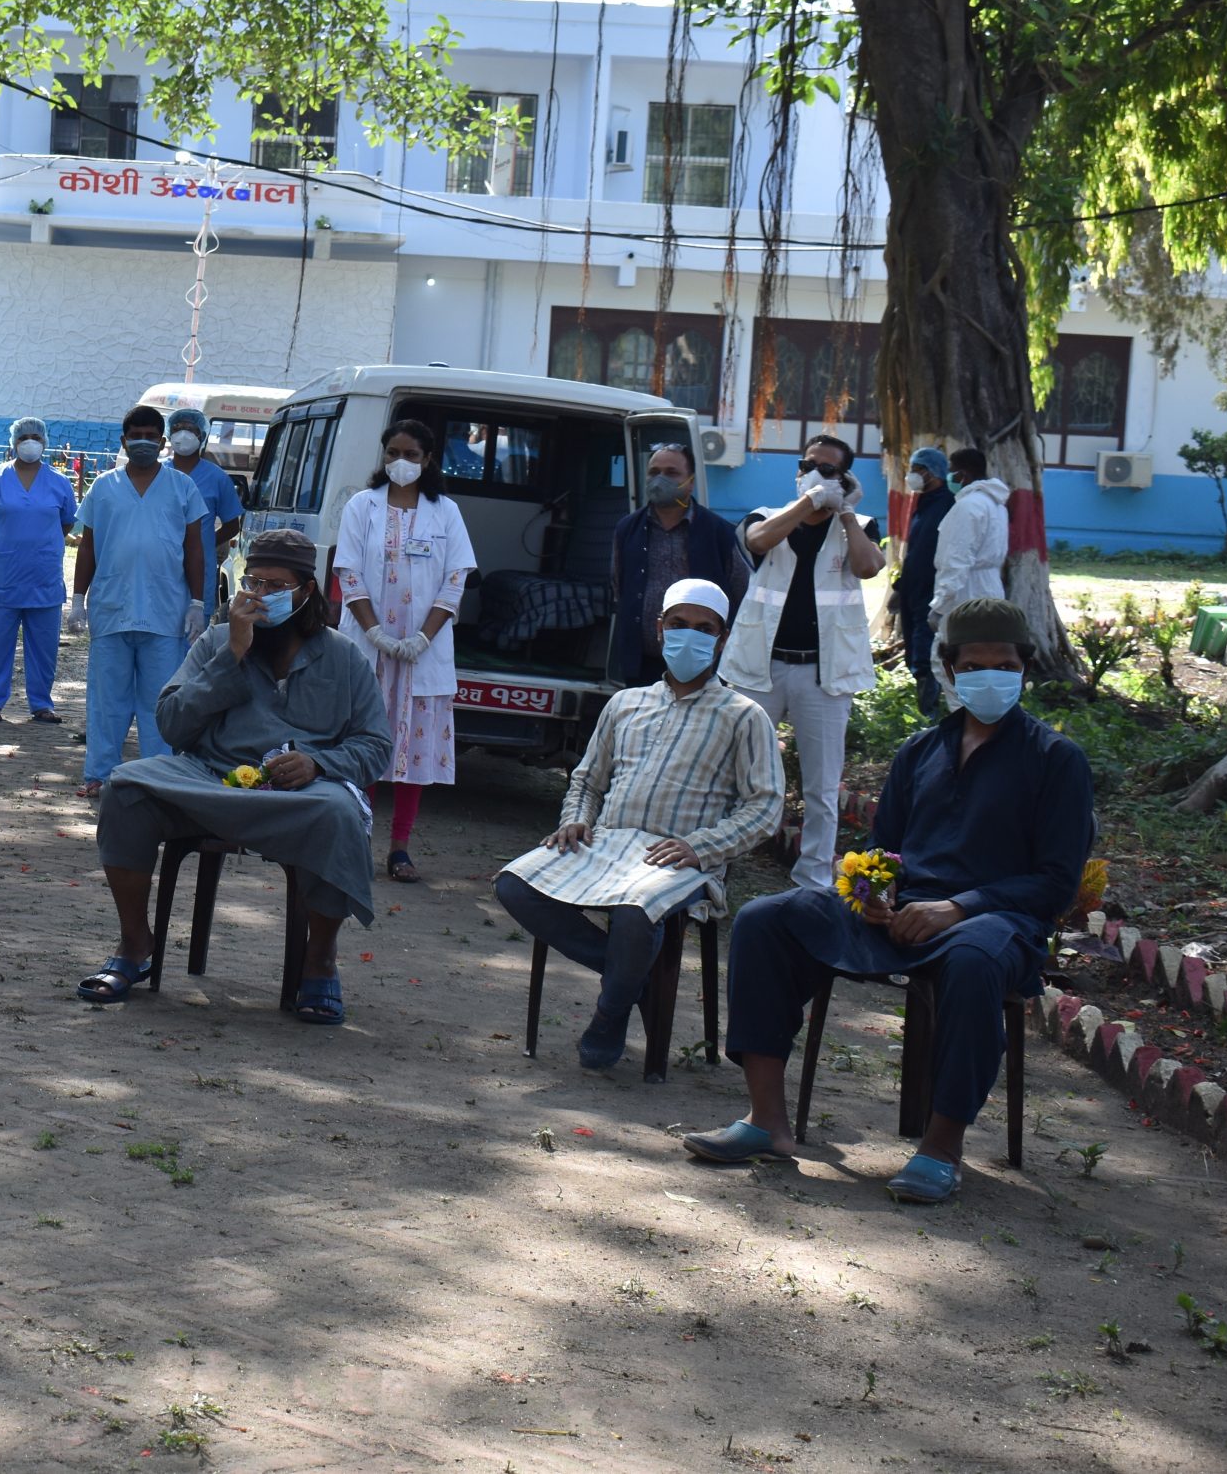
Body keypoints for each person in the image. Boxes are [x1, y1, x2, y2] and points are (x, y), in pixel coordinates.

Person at [685, 598, 1094, 1203]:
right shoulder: (920, 751)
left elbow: (1056, 882)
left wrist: (959, 908)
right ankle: (765, 1121)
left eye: (1005, 665)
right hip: (900, 915)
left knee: (974, 962)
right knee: (765, 918)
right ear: (951, 670)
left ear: (1024, 668)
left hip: (994, 921)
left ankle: (941, 1148)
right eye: (975, 664)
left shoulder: (1056, 760)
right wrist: (874, 893)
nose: (991, 676)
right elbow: (884, 850)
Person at [71, 529, 390, 1024]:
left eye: (274, 586)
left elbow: (376, 747)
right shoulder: (218, 640)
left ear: (305, 592)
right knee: (126, 786)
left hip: (299, 794)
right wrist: (232, 656)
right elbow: (172, 725)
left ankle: (320, 960)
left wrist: (319, 764)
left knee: (340, 814)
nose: (259, 597)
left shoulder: (345, 657)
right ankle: (136, 944)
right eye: (253, 583)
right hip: (207, 778)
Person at [494, 579, 783, 1069]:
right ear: (659, 628)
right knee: (513, 885)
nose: (689, 637)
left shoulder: (744, 716)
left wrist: (701, 848)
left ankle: (609, 1013)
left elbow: (765, 808)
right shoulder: (625, 704)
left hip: (680, 858)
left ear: (722, 637)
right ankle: (631, 978)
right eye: (678, 626)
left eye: (703, 629)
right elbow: (587, 781)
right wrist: (576, 820)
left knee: (634, 911)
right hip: (606, 845)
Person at [722, 434, 886, 891]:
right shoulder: (767, 517)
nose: (816, 473)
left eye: (829, 470)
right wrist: (809, 501)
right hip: (761, 668)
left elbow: (868, 566)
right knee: (734, 773)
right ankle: (714, 869)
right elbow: (756, 542)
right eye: (808, 464)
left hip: (823, 674)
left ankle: (812, 884)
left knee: (821, 786)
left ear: (847, 478)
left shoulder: (862, 524)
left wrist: (845, 509)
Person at [333, 419, 476, 880]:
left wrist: (422, 638)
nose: (401, 462)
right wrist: (374, 633)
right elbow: (348, 573)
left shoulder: (445, 511)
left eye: (411, 455)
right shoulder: (362, 506)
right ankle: (357, 837)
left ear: (428, 459)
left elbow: (457, 579)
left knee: (411, 751)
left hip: (421, 654)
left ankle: (399, 848)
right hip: (369, 647)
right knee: (366, 744)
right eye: (394, 452)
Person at [68, 405, 208, 797]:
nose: (143, 442)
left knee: (159, 702)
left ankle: (157, 775)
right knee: (106, 700)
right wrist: (78, 597)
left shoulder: (183, 487)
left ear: (162, 442)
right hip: (112, 608)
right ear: (123, 441)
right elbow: (89, 546)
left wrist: (197, 602)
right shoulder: (103, 487)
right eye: (136, 436)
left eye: (151, 436)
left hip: (165, 612)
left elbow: (194, 549)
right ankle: (99, 774)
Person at [608, 441, 747, 687]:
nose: (660, 479)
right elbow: (619, 587)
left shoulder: (719, 532)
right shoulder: (627, 528)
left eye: (671, 473)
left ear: (690, 482)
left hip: (701, 665)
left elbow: (739, 592)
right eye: (654, 472)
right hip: (642, 663)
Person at [0, 415, 76, 725]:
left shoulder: (59, 483)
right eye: (23, 437)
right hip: (2, 578)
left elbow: (67, 522)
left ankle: (41, 704)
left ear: (45, 442)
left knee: (44, 649)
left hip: (44, 579)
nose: (29, 442)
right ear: (14, 443)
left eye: (35, 436)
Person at [893, 446, 955, 715]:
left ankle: (928, 711)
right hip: (913, 589)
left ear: (934, 474)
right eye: (913, 469)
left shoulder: (946, 506)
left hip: (930, 590)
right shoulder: (923, 504)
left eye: (919, 470)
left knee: (925, 649)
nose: (913, 476)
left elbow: (934, 554)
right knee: (915, 644)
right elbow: (915, 553)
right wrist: (900, 587)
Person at [929, 447, 1011, 644]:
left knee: (955, 654)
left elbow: (956, 559)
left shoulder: (968, 506)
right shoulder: (996, 505)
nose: (949, 477)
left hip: (966, 591)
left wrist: (940, 605)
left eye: (952, 471)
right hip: (991, 589)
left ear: (963, 474)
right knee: (984, 650)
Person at [165, 405, 244, 586]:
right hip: (160, 563)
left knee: (197, 609)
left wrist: (204, 545)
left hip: (199, 566)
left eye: (190, 429)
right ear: (169, 435)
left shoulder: (217, 478)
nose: (183, 434)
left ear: (201, 435)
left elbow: (232, 525)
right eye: (177, 429)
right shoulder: (157, 473)